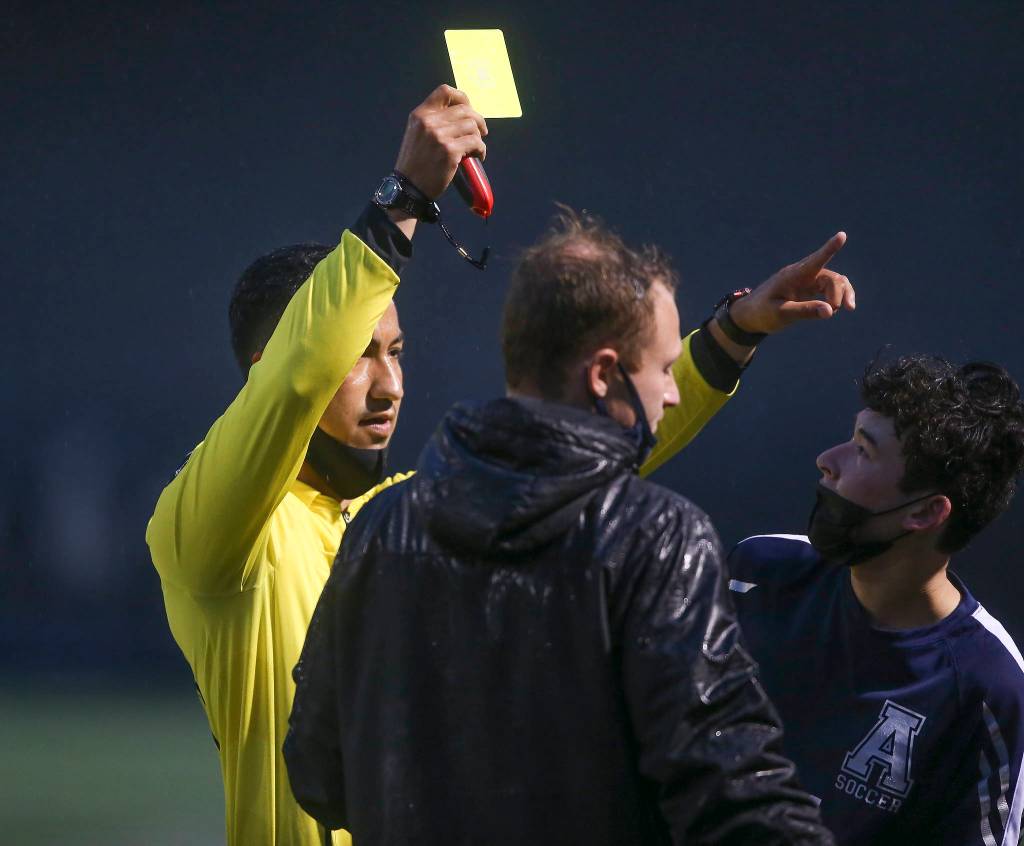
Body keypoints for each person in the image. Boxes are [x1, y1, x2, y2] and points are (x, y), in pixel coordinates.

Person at [283, 210, 848, 845]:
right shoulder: (657, 537)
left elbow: (318, 772)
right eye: (663, 370)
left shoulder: (384, 523)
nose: (671, 395)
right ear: (603, 374)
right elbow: (730, 788)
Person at [146, 85, 489, 846]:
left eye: (396, 353)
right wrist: (401, 200)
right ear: (270, 368)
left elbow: (577, 456)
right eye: (359, 357)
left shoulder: (408, 512)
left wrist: (726, 342)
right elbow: (298, 377)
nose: (392, 385)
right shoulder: (212, 540)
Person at [726, 354, 1024, 845]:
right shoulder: (757, 572)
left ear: (927, 513)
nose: (827, 459)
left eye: (863, 450)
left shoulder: (986, 684)